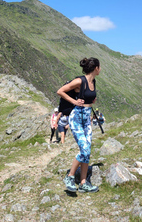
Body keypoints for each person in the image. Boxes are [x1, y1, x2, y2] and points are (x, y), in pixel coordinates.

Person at [57, 57, 101, 193]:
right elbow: (60, 91)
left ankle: (83, 183)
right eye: (100, 67)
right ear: (96, 68)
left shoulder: (93, 81)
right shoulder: (79, 81)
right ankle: (70, 176)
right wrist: (74, 102)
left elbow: (89, 97)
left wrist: (91, 100)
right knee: (85, 149)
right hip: (76, 118)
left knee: (87, 150)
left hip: (87, 118)